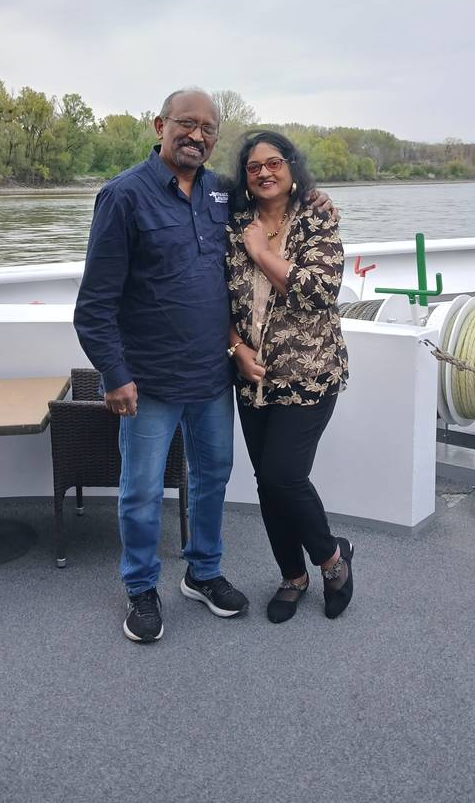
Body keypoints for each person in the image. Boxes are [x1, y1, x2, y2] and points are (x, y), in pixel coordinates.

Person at [74, 89, 336, 643]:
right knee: (142, 489)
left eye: (208, 128)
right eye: (186, 124)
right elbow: (94, 306)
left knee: (212, 479)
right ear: (159, 125)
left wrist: (318, 201)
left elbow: (279, 198)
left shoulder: (221, 193)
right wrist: (114, 374)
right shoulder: (123, 196)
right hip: (146, 381)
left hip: (213, 378)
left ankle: (203, 571)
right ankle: (142, 586)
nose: (197, 135)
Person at [226, 131, 352, 624]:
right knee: (266, 482)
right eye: (253, 166)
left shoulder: (317, 218)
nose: (263, 172)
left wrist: (260, 250)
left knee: (284, 474)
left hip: (310, 374)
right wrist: (235, 347)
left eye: (273, 162)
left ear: (292, 168)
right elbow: (218, 295)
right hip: (252, 377)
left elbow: (319, 291)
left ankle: (332, 559)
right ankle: (292, 575)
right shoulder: (233, 223)